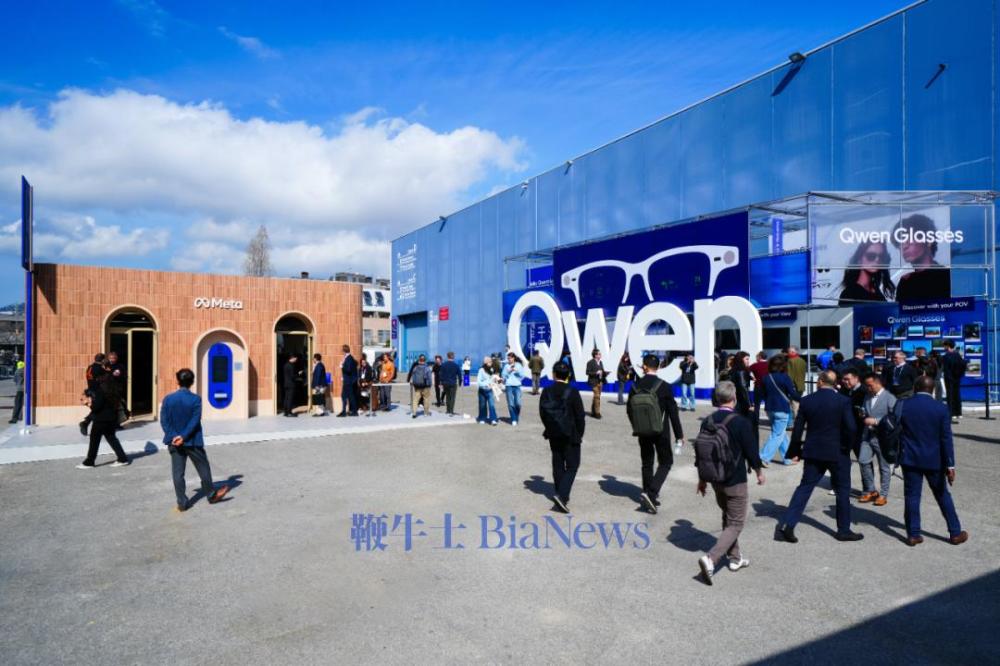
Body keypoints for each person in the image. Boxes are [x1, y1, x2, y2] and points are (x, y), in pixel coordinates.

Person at [777, 371, 862, 543]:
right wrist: (847, 447)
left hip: (814, 450)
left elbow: (798, 430)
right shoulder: (843, 401)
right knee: (842, 491)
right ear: (834, 383)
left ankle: (788, 524)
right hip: (838, 451)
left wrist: (795, 451)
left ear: (820, 382)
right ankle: (843, 530)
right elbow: (852, 428)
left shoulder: (807, 401)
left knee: (805, 488)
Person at [695, 380, 764, 585]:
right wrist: (759, 472)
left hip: (715, 478)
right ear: (734, 398)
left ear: (717, 399)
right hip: (735, 479)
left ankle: (735, 558)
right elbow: (751, 451)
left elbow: (702, 454)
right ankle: (711, 559)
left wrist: (702, 480)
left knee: (728, 516)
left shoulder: (707, 421)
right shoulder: (740, 422)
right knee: (736, 522)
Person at [899, 376, 967, 546]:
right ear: (933, 389)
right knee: (942, 495)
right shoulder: (941, 408)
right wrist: (950, 464)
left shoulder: (903, 405)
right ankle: (955, 532)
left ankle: (913, 534)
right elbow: (946, 439)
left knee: (912, 496)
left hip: (910, 458)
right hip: (934, 460)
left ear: (915, 388)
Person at [159, 368, 229, 512]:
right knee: (203, 467)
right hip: (192, 441)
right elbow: (194, 421)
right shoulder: (195, 399)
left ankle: (182, 502)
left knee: (178, 473)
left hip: (174, 442)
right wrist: (183, 436)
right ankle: (211, 495)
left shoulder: (168, 399)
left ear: (177, 381)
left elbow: (164, 421)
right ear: (192, 382)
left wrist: (174, 436)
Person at [626, 354, 684, 514]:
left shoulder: (635, 386)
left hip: (642, 430)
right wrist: (679, 435)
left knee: (647, 462)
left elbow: (629, 409)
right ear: (658, 367)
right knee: (666, 462)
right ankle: (651, 494)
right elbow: (673, 412)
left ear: (644, 366)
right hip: (661, 431)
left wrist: (636, 425)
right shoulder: (664, 386)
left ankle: (647, 492)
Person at [540, 361, 586, 513]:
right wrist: (579, 433)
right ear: (568, 375)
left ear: (554, 374)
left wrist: (550, 428)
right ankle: (562, 496)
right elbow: (580, 416)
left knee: (558, 463)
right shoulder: (573, 391)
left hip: (553, 433)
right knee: (572, 466)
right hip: (571, 434)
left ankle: (560, 493)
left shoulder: (547, 391)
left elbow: (542, 413)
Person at [892, 214, 951, 303]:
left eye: (909, 239)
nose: (904, 246)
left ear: (928, 240)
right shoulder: (906, 282)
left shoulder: (947, 276)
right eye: (900, 243)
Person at [76, 375, 130, 469]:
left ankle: (89, 462)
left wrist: (89, 403)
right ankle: (123, 459)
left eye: (99, 380)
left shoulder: (101, 392)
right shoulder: (114, 392)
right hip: (111, 419)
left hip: (101, 420)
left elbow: (96, 407)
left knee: (94, 440)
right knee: (112, 439)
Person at [858, 372, 896, 506]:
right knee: (863, 461)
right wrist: (862, 413)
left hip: (882, 437)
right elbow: (865, 409)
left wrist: (876, 421)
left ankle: (883, 494)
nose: (868, 388)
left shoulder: (889, 398)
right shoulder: (868, 396)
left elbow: (894, 418)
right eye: (867, 386)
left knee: (884, 467)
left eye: (870, 385)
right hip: (867, 435)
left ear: (878, 383)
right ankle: (870, 490)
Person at [758, 354, 801, 466]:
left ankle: (788, 458)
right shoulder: (785, 377)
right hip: (782, 408)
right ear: (783, 366)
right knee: (777, 434)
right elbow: (792, 394)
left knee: (781, 434)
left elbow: (762, 394)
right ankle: (763, 457)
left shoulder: (766, 377)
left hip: (769, 408)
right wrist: (804, 400)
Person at [838, 241, 896, 305]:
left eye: (881, 257)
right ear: (859, 260)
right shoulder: (849, 294)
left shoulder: (877, 292)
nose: (877, 260)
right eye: (871, 256)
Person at [79, 353, 107, 434]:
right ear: (102, 360)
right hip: (98, 392)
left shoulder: (90, 367)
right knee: (99, 409)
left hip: (91, 390)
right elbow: (107, 377)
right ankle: (85, 423)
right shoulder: (99, 368)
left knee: (98, 409)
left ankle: (86, 423)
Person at [940, 340, 966, 423]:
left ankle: (951, 413)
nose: (944, 347)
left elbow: (944, 368)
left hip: (949, 378)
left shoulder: (946, 356)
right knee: (957, 394)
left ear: (948, 346)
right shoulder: (957, 355)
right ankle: (959, 413)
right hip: (957, 378)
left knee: (950, 395)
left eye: (944, 345)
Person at [501, 352, 526, 426]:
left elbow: (522, 375)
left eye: (510, 358)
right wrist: (508, 372)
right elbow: (503, 376)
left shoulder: (518, 365)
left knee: (518, 403)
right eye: (508, 358)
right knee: (510, 403)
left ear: (513, 358)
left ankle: (516, 416)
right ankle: (513, 419)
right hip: (508, 386)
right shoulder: (506, 366)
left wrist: (516, 371)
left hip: (517, 386)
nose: (509, 359)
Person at [106, 350, 129, 423]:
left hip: (117, 389)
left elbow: (124, 376)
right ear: (108, 358)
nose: (112, 360)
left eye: (114, 358)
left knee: (117, 407)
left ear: (116, 358)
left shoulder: (120, 366)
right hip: (108, 389)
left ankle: (117, 422)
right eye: (111, 358)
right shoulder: (106, 366)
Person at [476, 356, 498, 426]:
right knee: (482, 405)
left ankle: (493, 419)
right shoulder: (481, 370)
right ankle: (482, 418)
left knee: (491, 405)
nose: (491, 363)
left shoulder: (492, 369)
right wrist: (486, 384)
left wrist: (496, 380)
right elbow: (479, 381)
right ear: (486, 363)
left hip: (490, 390)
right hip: (482, 390)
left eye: (491, 362)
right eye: (489, 362)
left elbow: (493, 379)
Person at [585, 350, 607, 418]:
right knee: (597, 397)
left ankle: (593, 411)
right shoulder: (590, 362)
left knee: (596, 397)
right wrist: (596, 373)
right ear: (595, 355)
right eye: (599, 354)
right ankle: (597, 413)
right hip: (593, 382)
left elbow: (602, 370)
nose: (600, 355)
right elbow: (587, 372)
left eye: (600, 354)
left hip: (600, 382)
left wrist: (605, 373)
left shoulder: (601, 362)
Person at [338, 345, 359, 417]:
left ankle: (354, 411)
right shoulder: (347, 358)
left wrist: (342, 366)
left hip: (349, 381)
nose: (341, 352)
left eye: (342, 350)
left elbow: (349, 369)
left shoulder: (349, 358)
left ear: (344, 351)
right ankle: (345, 411)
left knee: (350, 396)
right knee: (345, 396)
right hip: (347, 380)